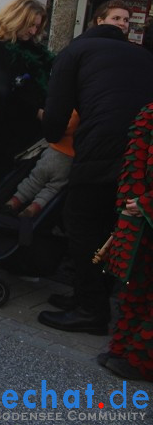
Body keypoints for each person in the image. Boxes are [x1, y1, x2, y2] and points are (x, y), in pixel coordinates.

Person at [37, 0, 153, 336]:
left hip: (102, 145)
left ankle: (91, 310)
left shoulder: (75, 52)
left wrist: (51, 134)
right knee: (111, 226)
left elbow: (56, 112)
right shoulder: (143, 56)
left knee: (82, 223)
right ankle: (89, 296)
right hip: (141, 152)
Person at [0, 0, 53, 193]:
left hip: (28, 134)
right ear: (17, 19)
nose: (34, 31)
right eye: (30, 25)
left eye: (37, 26)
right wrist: (35, 111)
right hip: (0, 132)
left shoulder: (35, 50)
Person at [100, 102, 153, 382]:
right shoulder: (149, 114)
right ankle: (124, 351)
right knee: (136, 288)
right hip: (141, 221)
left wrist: (144, 202)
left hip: (143, 211)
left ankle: (140, 360)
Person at [3, 110, 77, 217]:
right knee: (53, 189)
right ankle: (33, 208)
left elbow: (65, 124)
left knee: (34, 180)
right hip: (70, 159)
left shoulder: (78, 107)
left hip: (54, 150)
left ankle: (14, 202)